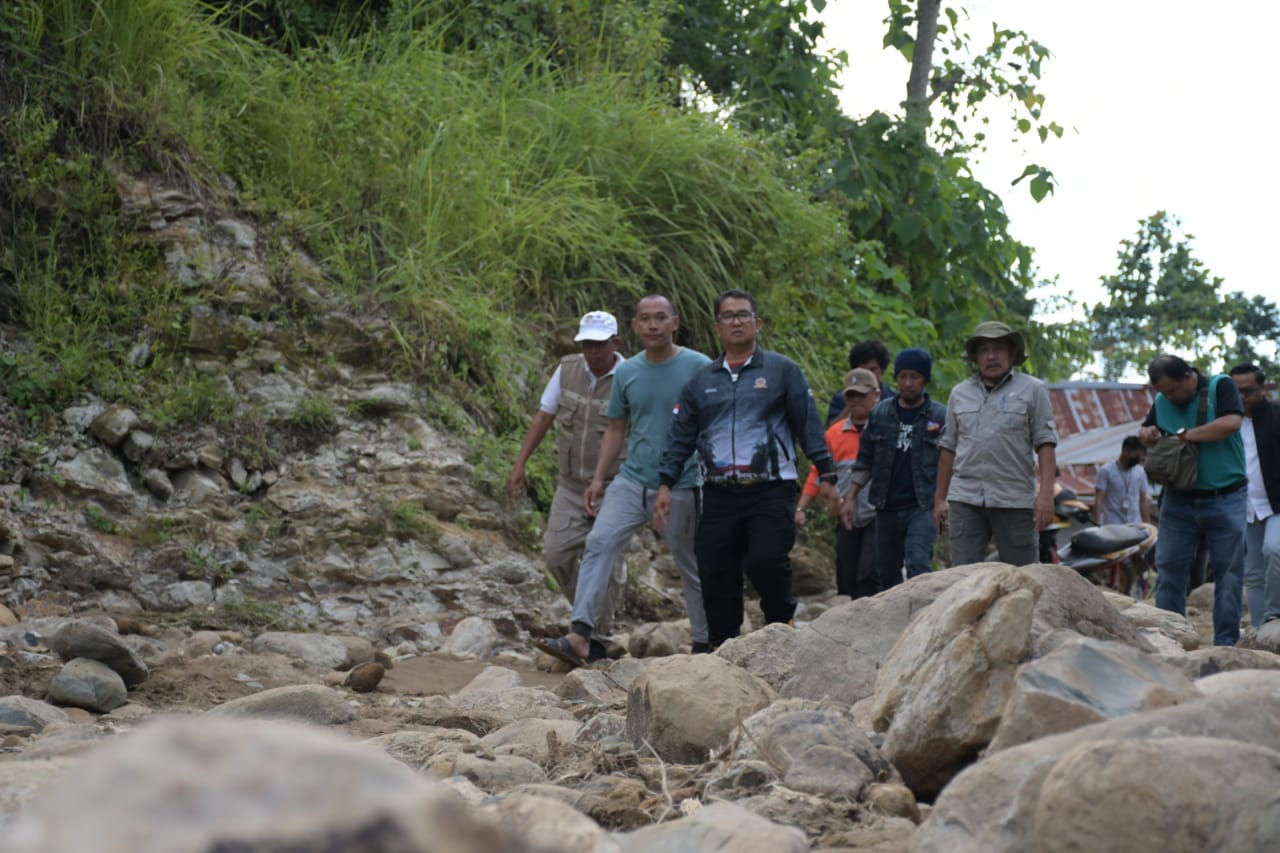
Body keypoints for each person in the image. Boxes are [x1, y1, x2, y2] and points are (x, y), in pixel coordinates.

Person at [655, 289, 838, 649]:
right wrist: (665, 483)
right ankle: (723, 645)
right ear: (716, 328)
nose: (736, 321)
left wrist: (827, 473)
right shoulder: (702, 381)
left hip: (771, 488)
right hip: (720, 491)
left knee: (766, 559)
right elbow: (681, 436)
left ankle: (779, 622)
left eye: (743, 315)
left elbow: (808, 425)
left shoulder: (783, 371)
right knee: (715, 568)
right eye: (728, 316)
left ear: (758, 323)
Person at [536, 295, 710, 666]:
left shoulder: (698, 366)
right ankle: (581, 634)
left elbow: (716, 419)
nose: (652, 325)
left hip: (682, 482)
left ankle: (703, 643)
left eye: (660, 318)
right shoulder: (629, 372)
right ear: (634, 327)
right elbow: (615, 428)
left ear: (674, 323)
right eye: (645, 319)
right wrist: (598, 479)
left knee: (688, 561)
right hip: (631, 479)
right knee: (599, 542)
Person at [506, 311, 629, 637]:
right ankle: (586, 617)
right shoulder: (567, 369)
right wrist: (520, 463)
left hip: (615, 487)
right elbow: (544, 416)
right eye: (587, 344)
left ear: (615, 343)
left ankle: (598, 635)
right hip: (571, 485)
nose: (592, 352)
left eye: (599, 345)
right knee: (555, 555)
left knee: (608, 560)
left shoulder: (631, 376)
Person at [1139, 354, 1246, 646]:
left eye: (1173, 390)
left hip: (1225, 495)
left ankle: (1226, 643)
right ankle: (1169, 639)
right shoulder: (1163, 401)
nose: (1169, 397)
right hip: (1178, 498)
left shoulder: (1220, 386)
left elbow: (1231, 422)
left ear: (1188, 376)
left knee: (1229, 573)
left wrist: (1185, 437)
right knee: (1169, 570)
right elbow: (1147, 429)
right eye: (1163, 393)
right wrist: (1147, 433)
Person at [934, 321, 1058, 566]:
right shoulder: (959, 393)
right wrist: (940, 500)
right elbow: (948, 448)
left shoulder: (1033, 390)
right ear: (975, 356)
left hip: (1014, 499)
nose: (991, 356)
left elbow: (1046, 444)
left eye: (999, 348)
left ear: (1012, 353)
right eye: (984, 349)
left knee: (1023, 577)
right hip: (965, 498)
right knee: (963, 578)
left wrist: (1045, 497)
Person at [847, 347, 947, 589]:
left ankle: (921, 619)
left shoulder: (939, 415)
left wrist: (943, 501)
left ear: (925, 379)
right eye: (903, 377)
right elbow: (865, 460)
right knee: (887, 570)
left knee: (918, 565)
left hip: (922, 504)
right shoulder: (880, 414)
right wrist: (850, 498)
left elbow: (949, 461)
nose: (908, 383)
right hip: (886, 505)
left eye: (915, 377)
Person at [796, 368, 880, 598]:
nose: (856, 401)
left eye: (862, 395)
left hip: (879, 513)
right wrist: (801, 508)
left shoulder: (885, 429)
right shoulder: (834, 434)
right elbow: (817, 474)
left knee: (870, 571)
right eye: (851, 396)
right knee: (847, 576)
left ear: (876, 396)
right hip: (846, 514)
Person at [1229, 363, 1280, 626]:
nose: (1241, 397)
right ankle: (1261, 628)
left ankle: (1274, 616)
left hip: (1276, 504)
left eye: (1247, 391)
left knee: (1274, 549)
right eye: (1235, 391)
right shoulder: (1226, 421)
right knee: (1253, 572)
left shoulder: (1276, 414)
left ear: (1262, 388)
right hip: (1244, 506)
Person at [827, 340, 893, 423]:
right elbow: (830, 431)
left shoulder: (893, 399)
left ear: (882, 370)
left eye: (872, 370)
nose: (868, 375)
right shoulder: (841, 398)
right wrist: (852, 405)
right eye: (863, 370)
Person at [1093, 436, 1152, 526]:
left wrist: (1148, 526)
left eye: (1140, 457)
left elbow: (1143, 500)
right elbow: (1099, 499)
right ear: (1126, 450)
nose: (1138, 460)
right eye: (1136, 456)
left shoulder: (1140, 472)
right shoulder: (1106, 470)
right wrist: (1096, 524)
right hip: (1112, 524)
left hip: (1135, 523)